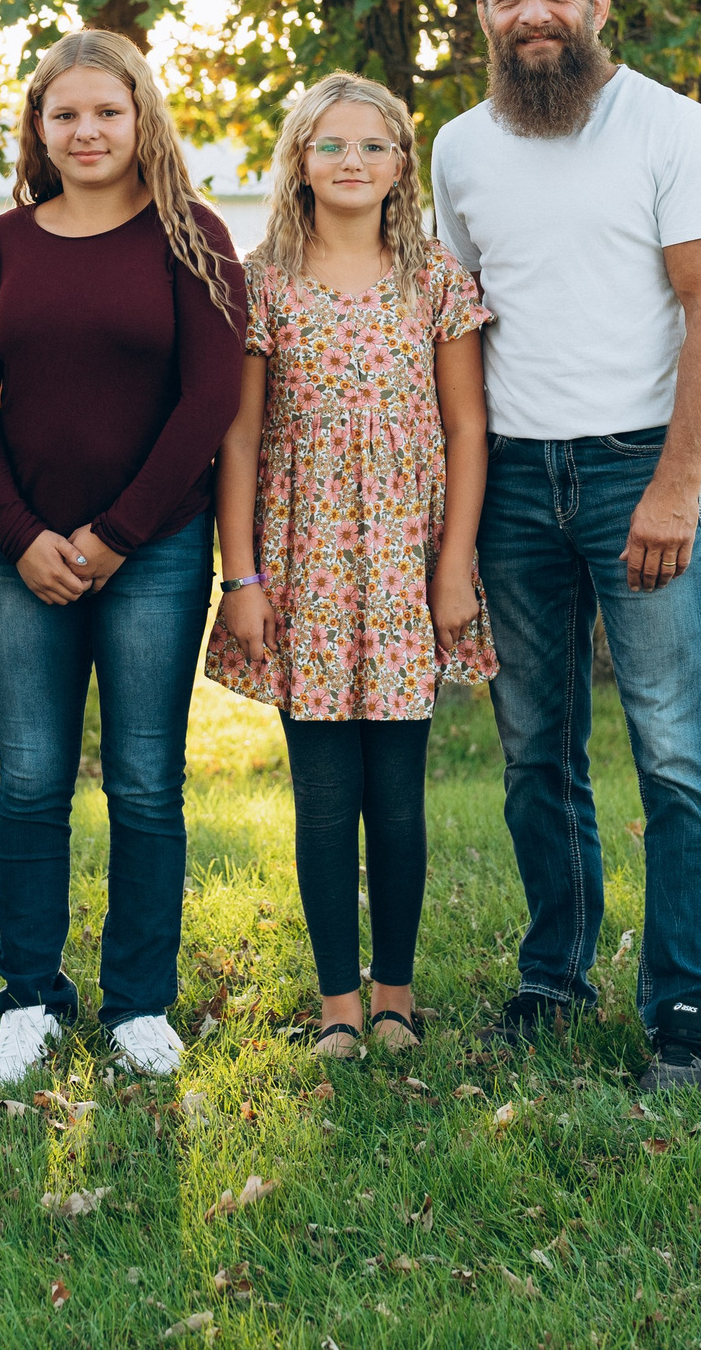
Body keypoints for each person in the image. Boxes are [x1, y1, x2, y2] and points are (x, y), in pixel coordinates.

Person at [431, 0, 701, 1092]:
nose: (532, 16)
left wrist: (675, 486)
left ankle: (684, 1013)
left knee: (672, 754)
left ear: (599, 3)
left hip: (633, 472)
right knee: (533, 755)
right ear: (484, 16)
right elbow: (460, 329)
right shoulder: (458, 148)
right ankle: (553, 980)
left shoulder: (671, 130)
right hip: (510, 478)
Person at [0, 29, 247, 1087]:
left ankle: (137, 1006)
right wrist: (20, 536)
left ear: (140, 120)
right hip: (24, 557)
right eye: (64, 114)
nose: (85, 131)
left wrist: (116, 535)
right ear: (38, 127)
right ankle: (28, 998)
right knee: (29, 783)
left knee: (144, 784)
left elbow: (209, 401)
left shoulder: (193, 238)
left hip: (154, 553)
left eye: (106, 112)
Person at [206, 71, 498, 1060]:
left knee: (398, 796)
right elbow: (238, 439)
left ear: (400, 166)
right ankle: (337, 1000)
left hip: (408, 563)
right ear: (298, 159)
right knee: (325, 796)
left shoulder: (434, 279)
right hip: (303, 563)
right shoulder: (260, 282)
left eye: (372, 146)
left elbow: (467, 427)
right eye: (330, 145)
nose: (351, 162)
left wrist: (454, 563)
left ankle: (396, 994)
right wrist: (239, 576)